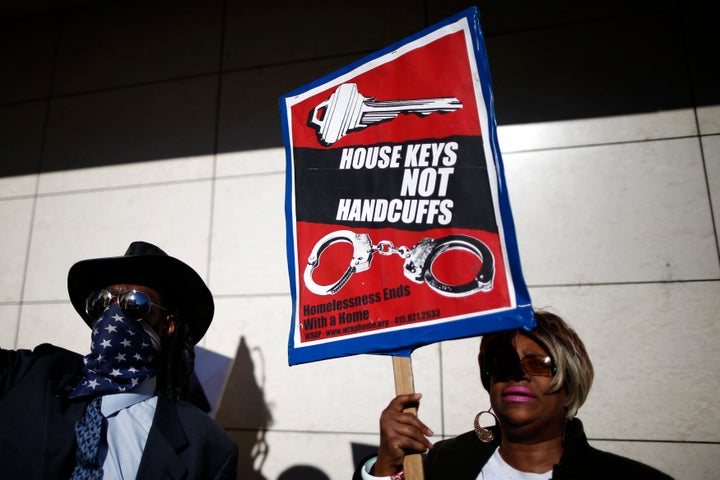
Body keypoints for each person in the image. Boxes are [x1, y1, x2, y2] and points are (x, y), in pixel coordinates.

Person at [0, 241, 238, 479]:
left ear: (168, 325)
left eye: (133, 303)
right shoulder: (28, 373)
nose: (113, 313)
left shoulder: (208, 446)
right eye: (101, 301)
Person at [355, 310, 673, 479]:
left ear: (570, 380)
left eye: (538, 363)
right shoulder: (441, 464)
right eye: (504, 362)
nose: (517, 372)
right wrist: (386, 465)